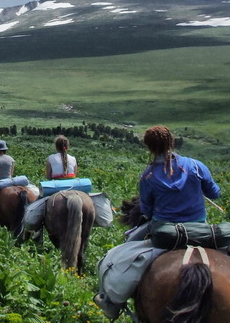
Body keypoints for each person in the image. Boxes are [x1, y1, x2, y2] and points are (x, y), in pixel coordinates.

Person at [93, 125, 221, 320]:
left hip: (163, 229)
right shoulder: (196, 166)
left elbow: (147, 210)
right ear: (172, 141)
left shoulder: (148, 176)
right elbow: (215, 193)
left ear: (149, 148)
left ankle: (111, 302)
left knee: (121, 252)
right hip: (200, 227)